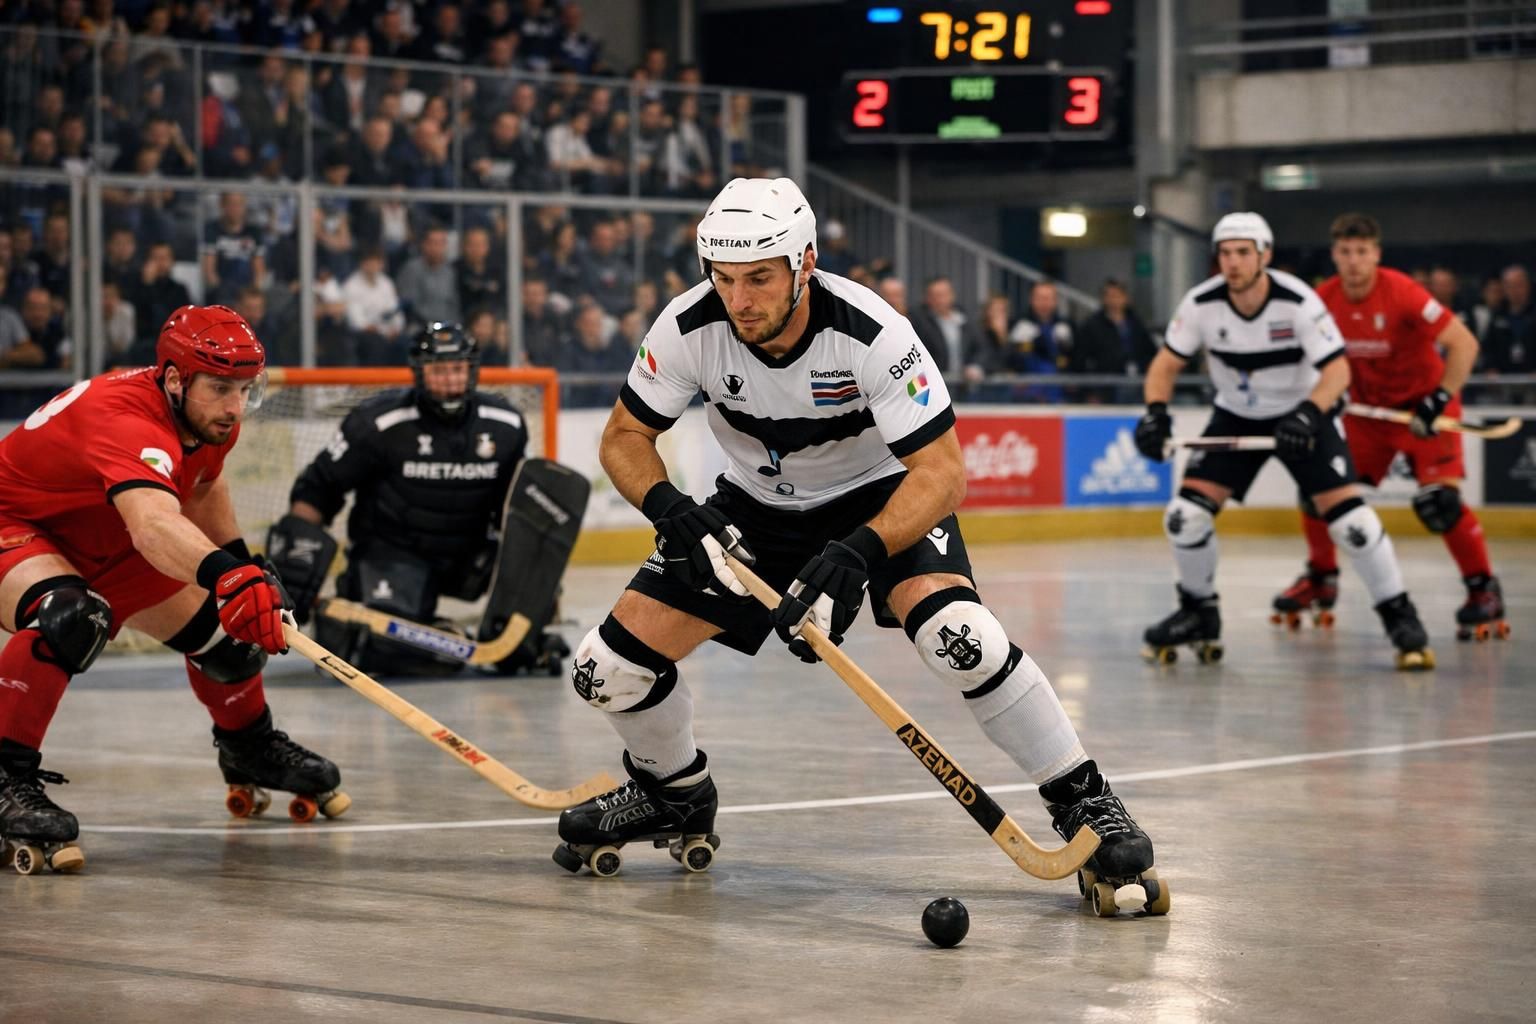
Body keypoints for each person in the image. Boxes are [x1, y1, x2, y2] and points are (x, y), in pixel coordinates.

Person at [550, 177, 1162, 908]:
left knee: (961, 638)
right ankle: (673, 793)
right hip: (752, 509)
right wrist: (669, 508)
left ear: (804, 263)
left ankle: (1083, 798)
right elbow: (625, 435)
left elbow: (942, 473)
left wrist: (859, 552)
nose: (738, 299)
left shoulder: (873, 333)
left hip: (879, 501)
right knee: (604, 671)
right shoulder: (687, 327)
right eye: (722, 277)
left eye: (758, 278)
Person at [0, 305, 346, 874]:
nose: (236, 408)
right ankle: (6, 779)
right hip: (21, 528)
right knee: (70, 616)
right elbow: (155, 524)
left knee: (233, 631)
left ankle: (249, 748)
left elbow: (204, 489)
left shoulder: (204, 417)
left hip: (108, 540)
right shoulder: (125, 417)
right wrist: (230, 577)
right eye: (221, 389)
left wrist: (243, 566)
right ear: (174, 379)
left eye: (245, 390)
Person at [1134, 213, 1434, 670]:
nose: (1232, 263)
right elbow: (1164, 366)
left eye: (1243, 253)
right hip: (1236, 416)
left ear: (1265, 255)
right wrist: (1155, 413)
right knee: (1184, 517)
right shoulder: (1201, 303)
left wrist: (1309, 412)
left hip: (1303, 415)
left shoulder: (1298, 301)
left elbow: (1337, 371)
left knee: (1353, 524)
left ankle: (1400, 616)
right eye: (1225, 253)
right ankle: (1199, 612)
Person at [269, 322, 566, 676]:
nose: (450, 379)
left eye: (457, 369)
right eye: (438, 370)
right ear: (418, 372)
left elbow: (517, 509)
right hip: (394, 555)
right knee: (386, 653)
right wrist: (296, 566)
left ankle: (512, 642)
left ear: (472, 371)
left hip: (468, 556)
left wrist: (539, 586)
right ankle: (391, 634)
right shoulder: (378, 422)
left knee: (536, 585)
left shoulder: (506, 425)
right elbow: (318, 488)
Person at [1275, 213, 1505, 641]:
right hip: (1367, 414)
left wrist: (1438, 399)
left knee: (1440, 504)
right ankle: (1321, 578)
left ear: (1376, 255)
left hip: (1425, 409)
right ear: (1334, 256)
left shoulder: (1402, 292)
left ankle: (1483, 589)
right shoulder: (1322, 300)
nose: (1354, 262)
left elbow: (1463, 344)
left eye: (1362, 252)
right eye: (1345, 252)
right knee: (1317, 494)